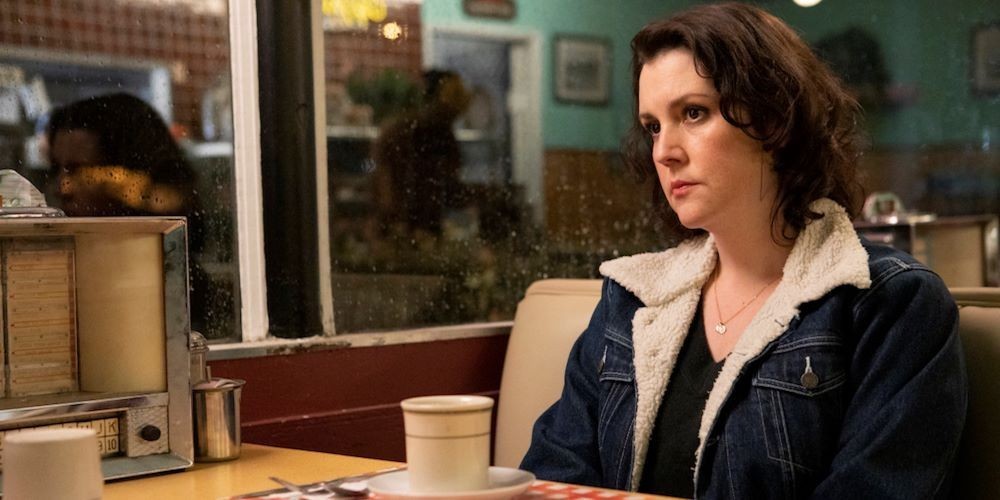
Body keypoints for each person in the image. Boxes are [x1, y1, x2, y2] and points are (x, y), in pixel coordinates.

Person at [520, 3, 966, 499]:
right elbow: (551, 481)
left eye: (693, 113)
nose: (664, 150)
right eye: (653, 125)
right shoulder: (631, 299)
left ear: (774, 121)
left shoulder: (888, 303)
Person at [46, 92, 210, 334]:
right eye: (55, 169)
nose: (63, 187)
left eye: (80, 171)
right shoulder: (59, 267)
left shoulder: (172, 281)